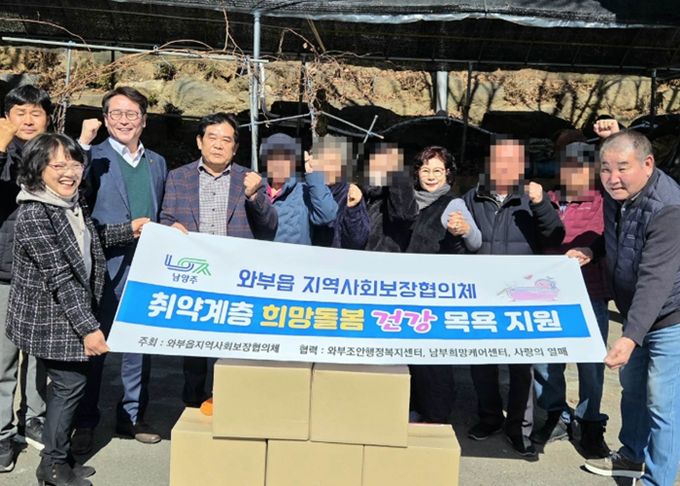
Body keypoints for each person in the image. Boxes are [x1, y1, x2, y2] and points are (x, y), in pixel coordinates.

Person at [6, 133, 140, 486]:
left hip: (69, 312)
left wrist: (131, 229)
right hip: (52, 318)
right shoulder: (34, 213)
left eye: (75, 164)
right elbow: (61, 277)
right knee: (69, 385)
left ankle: (59, 458)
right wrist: (89, 329)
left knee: (70, 386)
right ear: (38, 169)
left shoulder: (70, 204)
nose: (69, 172)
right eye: (58, 165)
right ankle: (52, 466)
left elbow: (92, 238)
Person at [578, 129, 680, 486]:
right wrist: (593, 249)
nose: (612, 177)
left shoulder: (668, 208)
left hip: (670, 317)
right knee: (633, 389)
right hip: (636, 312)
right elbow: (620, 237)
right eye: (606, 169)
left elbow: (656, 279)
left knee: (663, 404)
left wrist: (630, 336)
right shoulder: (618, 196)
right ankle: (632, 456)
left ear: (647, 164)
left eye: (622, 167)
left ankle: (657, 480)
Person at [72, 86, 167, 453]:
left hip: (145, 267)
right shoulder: (92, 157)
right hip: (104, 267)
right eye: (116, 113)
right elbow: (76, 202)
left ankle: (131, 415)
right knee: (95, 347)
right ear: (105, 118)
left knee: (138, 346)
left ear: (144, 120)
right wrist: (82, 146)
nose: (123, 121)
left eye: (131, 114)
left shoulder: (156, 163)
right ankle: (85, 420)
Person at [160, 112, 278, 407]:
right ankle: (192, 403)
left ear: (235, 148)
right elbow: (166, 218)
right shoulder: (178, 177)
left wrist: (255, 196)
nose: (218, 145)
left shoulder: (249, 178)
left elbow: (269, 227)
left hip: (235, 278)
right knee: (195, 347)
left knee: (233, 344)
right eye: (212, 137)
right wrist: (170, 228)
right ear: (199, 142)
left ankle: (232, 403)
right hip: (195, 275)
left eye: (226, 140)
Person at [463, 137, 565, 457]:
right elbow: (459, 242)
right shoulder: (472, 197)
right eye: (498, 161)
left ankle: (519, 428)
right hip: (482, 294)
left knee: (521, 367)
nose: (504, 167)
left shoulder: (532, 197)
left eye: (512, 162)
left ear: (522, 166)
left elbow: (555, 236)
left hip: (521, 296)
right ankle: (490, 417)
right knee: (481, 363)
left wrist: (541, 204)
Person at [530, 131, 611, 458]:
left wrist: (593, 250)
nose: (573, 173)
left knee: (590, 363)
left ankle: (590, 422)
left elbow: (611, 237)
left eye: (581, 167)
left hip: (590, 292)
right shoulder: (545, 199)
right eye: (568, 166)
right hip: (548, 295)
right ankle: (555, 415)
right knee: (545, 360)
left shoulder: (604, 202)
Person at [405, 146, 481, 424]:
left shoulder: (453, 204)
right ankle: (413, 407)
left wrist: (464, 229)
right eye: (425, 170)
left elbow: (476, 241)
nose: (431, 176)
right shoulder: (407, 199)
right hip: (405, 291)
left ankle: (436, 415)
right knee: (409, 355)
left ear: (448, 173)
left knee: (432, 358)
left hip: (434, 293)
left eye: (437, 170)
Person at [0, 85, 51, 471]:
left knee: (38, 356)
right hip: (3, 271)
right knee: (3, 358)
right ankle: (2, 433)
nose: (29, 120)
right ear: (6, 118)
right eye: (20, 112)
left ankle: (33, 417)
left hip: (41, 271)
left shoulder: (54, 154)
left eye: (36, 112)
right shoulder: (3, 151)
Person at [261, 133, 337, 245]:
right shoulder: (257, 190)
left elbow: (327, 215)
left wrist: (314, 176)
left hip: (294, 256)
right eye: (274, 158)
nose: (279, 164)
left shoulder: (304, 191)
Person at [310, 136, 369, 249]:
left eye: (332, 163)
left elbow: (358, 241)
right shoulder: (306, 190)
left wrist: (353, 210)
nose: (326, 168)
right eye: (322, 162)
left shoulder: (350, 193)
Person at [362, 142, 418, 252]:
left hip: (385, 259)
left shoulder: (401, 194)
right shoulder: (360, 194)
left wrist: (398, 178)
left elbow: (404, 215)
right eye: (376, 162)